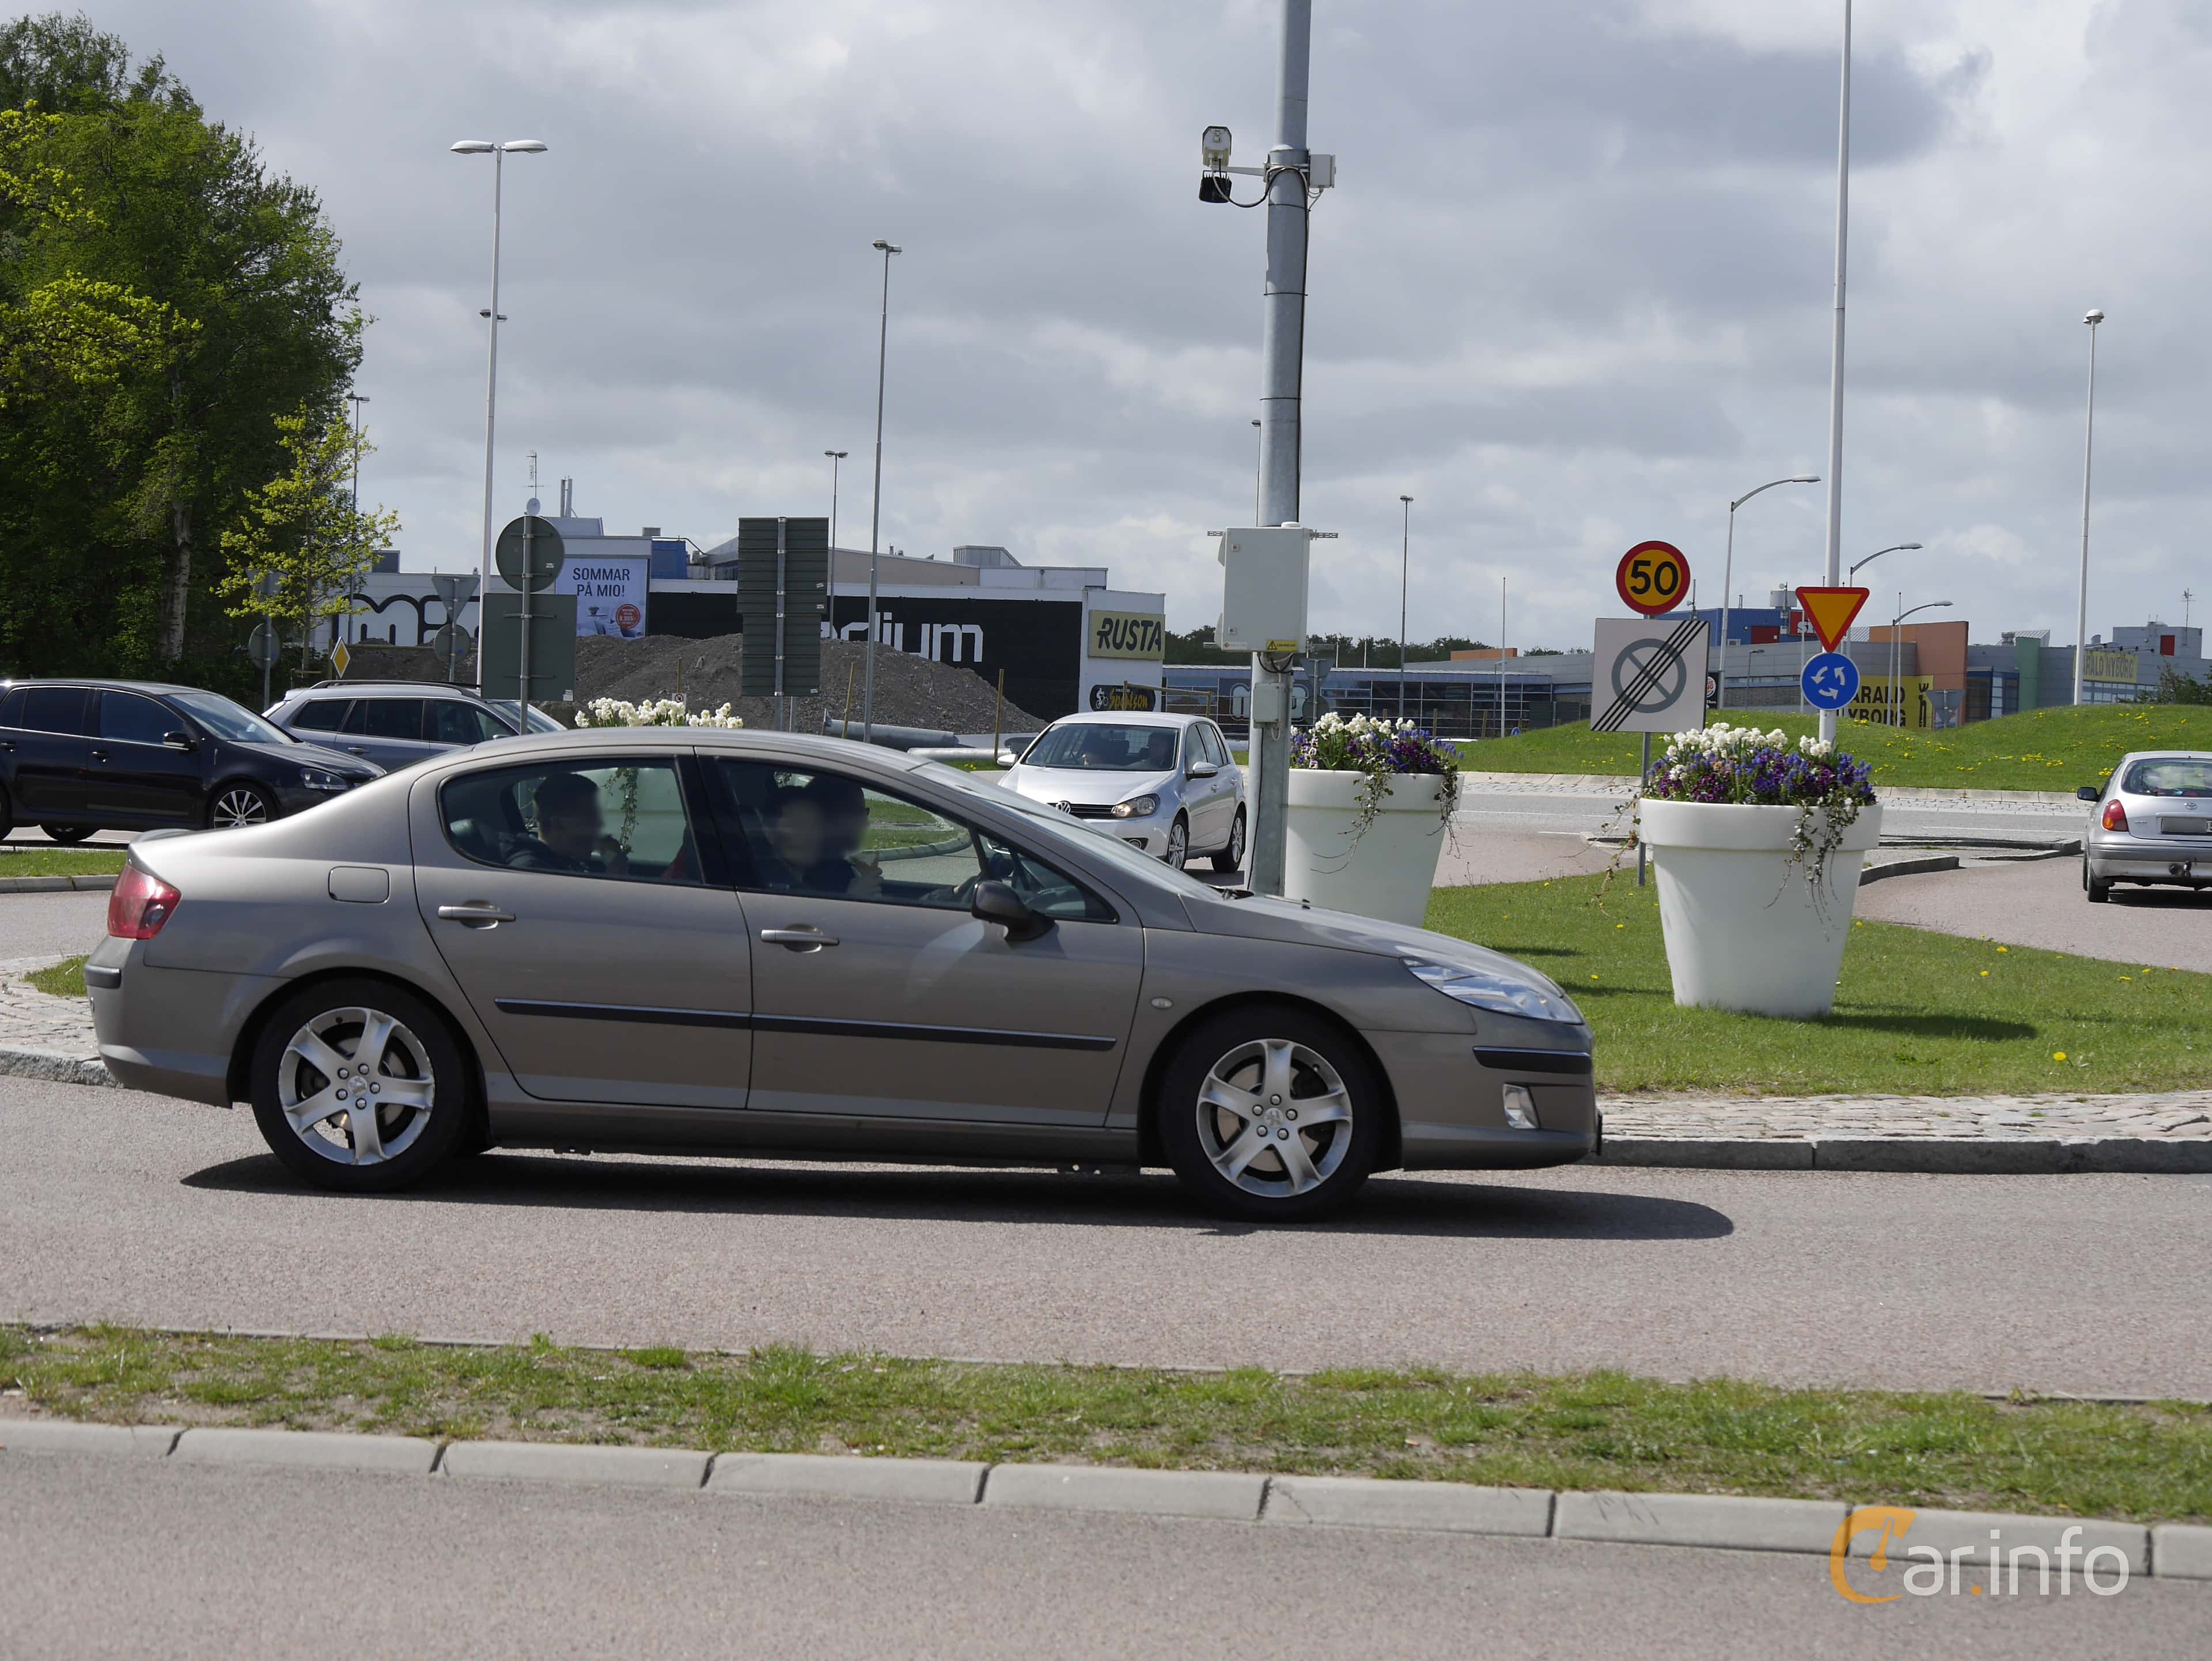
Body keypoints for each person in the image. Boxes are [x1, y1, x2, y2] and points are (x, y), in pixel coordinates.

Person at [505, 772, 628, 875]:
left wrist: (614, 859)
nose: (599, 824)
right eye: (589, 818)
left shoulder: (568, 862)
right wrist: (615, 868)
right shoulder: (531, 872)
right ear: (558, 824)